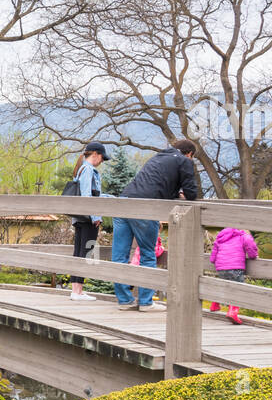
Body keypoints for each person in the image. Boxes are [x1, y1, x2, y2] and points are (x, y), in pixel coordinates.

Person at [112, 139, 200, 311]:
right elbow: (191, 193)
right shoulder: (184, 161)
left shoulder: (158, 157)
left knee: (119, 255)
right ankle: (146, 302)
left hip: (123, 201)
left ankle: (124, 300)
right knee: (147, 254)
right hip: (145, 207)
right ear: (189, 154)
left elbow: (156, 182)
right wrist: (182, 194)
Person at [68, 141, 111, 302]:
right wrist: (95, 217)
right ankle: (78, 291)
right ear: (95, 155)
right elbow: (87, 195)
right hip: (88, 218)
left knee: (79, 250)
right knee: (85, 252)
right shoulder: (88, 170)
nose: (101, 162)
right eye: (101, 158)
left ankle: (76, 290)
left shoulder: (80, 169)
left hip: (80, 217)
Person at [208, 227, 258, 325]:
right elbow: (250, 247)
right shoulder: (243, 236)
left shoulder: (221, 237)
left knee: (224, 286)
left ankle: (214, 305)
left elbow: (212, 257)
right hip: (235, 267)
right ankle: (232, 312)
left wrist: (214, 260)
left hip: (221, 268)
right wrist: (253, 255)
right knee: (238, 289)